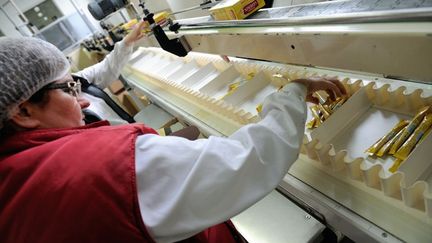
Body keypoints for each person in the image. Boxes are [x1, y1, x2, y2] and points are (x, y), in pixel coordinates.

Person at [0, 19, 346, 243]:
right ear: (25, 111)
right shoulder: (106, 168)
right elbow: (251, 160)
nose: (85, 102)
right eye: (69, 89)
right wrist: (294, 93)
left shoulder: (13, 177)